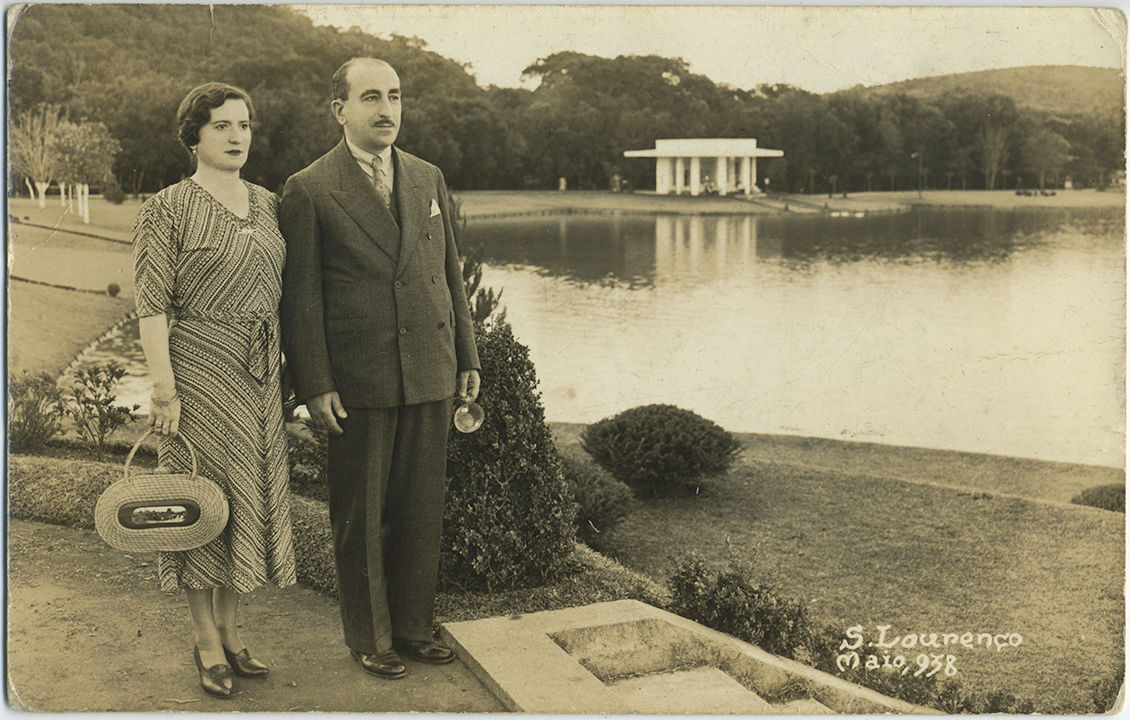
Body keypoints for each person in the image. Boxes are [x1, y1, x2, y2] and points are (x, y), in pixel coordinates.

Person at [279, 57, 480, 680]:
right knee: (361, 515)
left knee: (421, 508)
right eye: (371, 98)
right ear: (339, 109)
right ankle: (372, 637)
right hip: (359, 379)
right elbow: (301, 298)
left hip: (429, 368)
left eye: (394, 96)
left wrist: (467, 357)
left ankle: (416, 628)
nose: (386, 110)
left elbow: (449, 273)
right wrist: (315, 382)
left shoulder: (426, 176)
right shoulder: (309, 187)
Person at [132, 82, 297, 699]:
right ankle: (205, 641)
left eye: (245, 125)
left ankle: (231, 632)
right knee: (203, 506)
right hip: (198, 376)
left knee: (244, 501)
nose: (237, 137)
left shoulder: (269, 203)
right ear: (194, 136)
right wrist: (164, 388)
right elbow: (152, 308)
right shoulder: (166, 208)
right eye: (223, 126)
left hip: (258, 376)